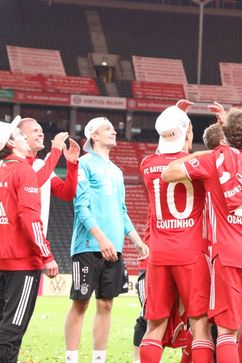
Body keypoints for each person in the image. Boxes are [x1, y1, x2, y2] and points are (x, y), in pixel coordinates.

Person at [162, 106, 242, 363]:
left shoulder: (213, 161)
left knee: (227, 330)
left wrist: (211, 152)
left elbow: (168, 172)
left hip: (228, 255)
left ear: (225, 137)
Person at [64, 117, 149, 363]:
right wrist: (101, 239)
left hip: (115, 248)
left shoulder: (117, 171)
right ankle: (71, 359)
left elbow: (121, 211)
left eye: (113, 127)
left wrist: (135, 240)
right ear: (94, 136)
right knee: (80, 303)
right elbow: (80, 207)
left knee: (106, 305)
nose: (114, 131)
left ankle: (98, 359)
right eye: (107, 128)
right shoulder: (84, 164)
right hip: (88, 246)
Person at [138, 103, 214, 363]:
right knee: (200, 326)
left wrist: (174, 118)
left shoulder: (147, 164)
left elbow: (164, 152)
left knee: (154, 327)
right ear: (189, 135)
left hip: (158, 255)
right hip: (191, 254)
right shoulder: (199, 165)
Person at [0, 116, 59, 363]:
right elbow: (30, 219)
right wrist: (47, 255)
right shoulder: (23, 171)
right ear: (12, 144)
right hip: (22, 264)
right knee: (11, 331)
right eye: (22, 136)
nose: (26, 138)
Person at [18, 118, 80, 234]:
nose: (41, 134)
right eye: (35, 130)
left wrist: (72, 165)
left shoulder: (40, 164)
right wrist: (56, 150)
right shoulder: (13, 163)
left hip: (38, 237)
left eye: (41, 130)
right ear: (21, 136)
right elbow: (31, 185)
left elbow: (67, 193)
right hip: (18, 236)